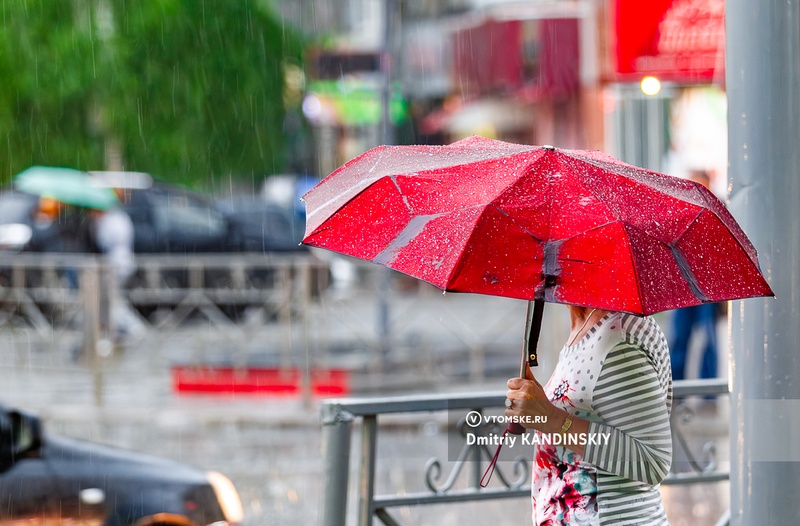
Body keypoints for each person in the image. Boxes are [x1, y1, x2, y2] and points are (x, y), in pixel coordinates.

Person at [505, 306, 672, 525]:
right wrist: (538, 407)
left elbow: (653, 461)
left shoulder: (619, 339)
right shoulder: (587, 326)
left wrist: (550, 418)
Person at [669, 169, 719, 382]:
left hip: (708, 286)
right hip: (683, 285)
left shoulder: (716, 214)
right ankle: (676, 389)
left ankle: (709, 395)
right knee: (680, 337)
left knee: (708, 337)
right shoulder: (678, 213)